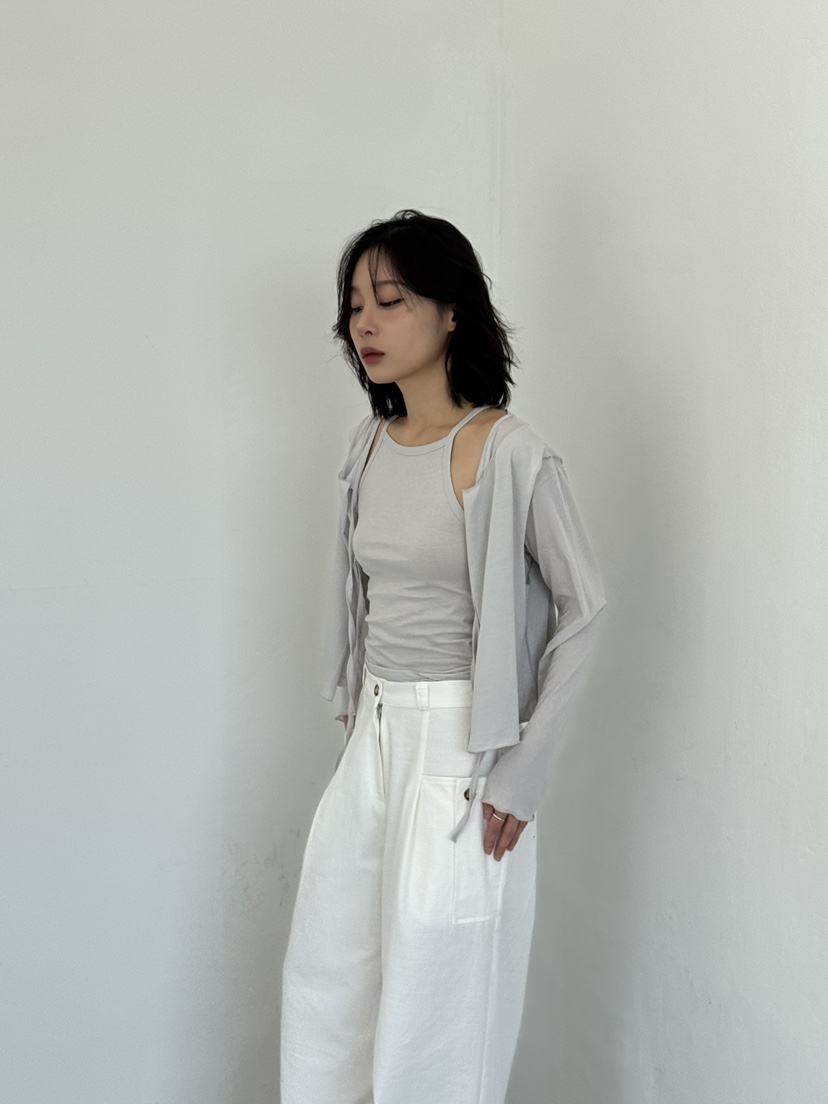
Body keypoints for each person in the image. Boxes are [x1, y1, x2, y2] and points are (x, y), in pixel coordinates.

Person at [280, 209, 607, 1104]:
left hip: (463, 756)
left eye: (390, 300)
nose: (366, 323)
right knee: (334, 984)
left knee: (439, 1003)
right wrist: (360, 724)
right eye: (355, 305)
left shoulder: (509, 453)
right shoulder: (367, 447)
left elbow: (585, 607)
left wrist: (522, 774)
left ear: (453, 310)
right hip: (374, 739)